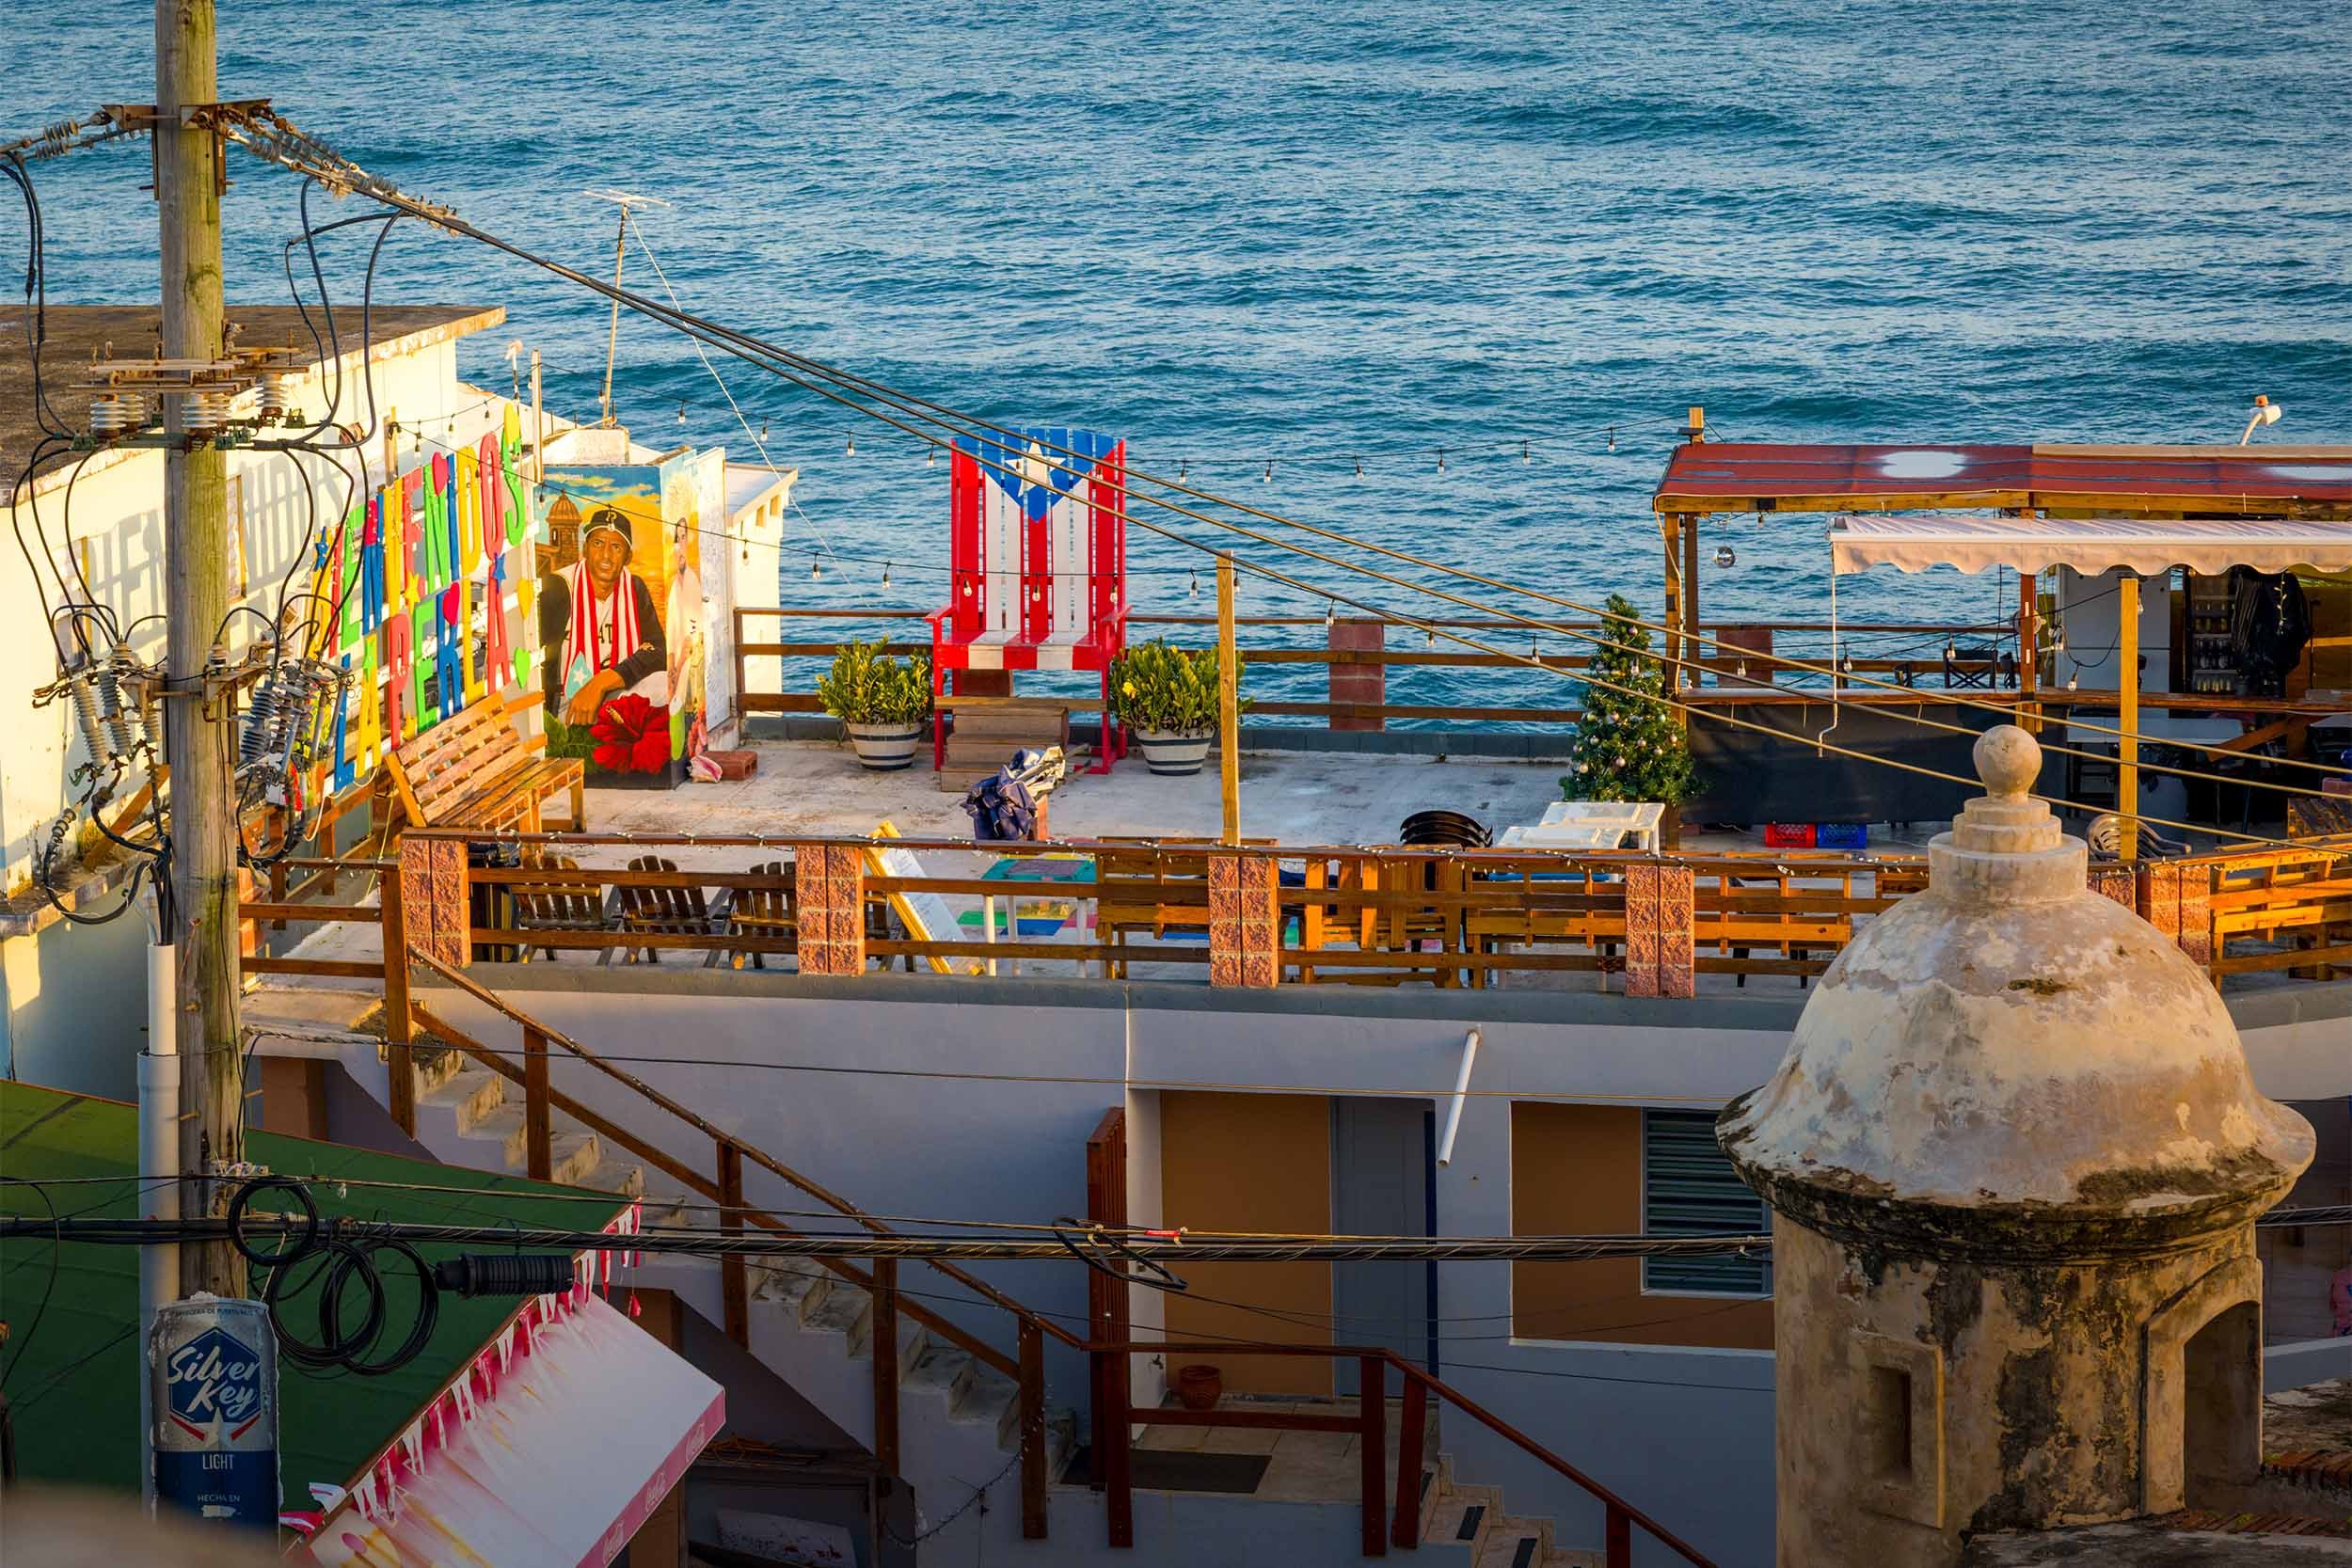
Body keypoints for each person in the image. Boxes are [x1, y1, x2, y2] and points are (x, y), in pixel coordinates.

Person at [541, 508, 667, 730]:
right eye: (598, 543)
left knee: (664, 684)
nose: (606, 555)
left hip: (612, 693)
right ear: (585, 548)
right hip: (566, 702)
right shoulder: (559, 588)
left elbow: (658, 651)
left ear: (628, 557)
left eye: (616, 547)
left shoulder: (633, 588)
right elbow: (540, 661)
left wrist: (600, 682)